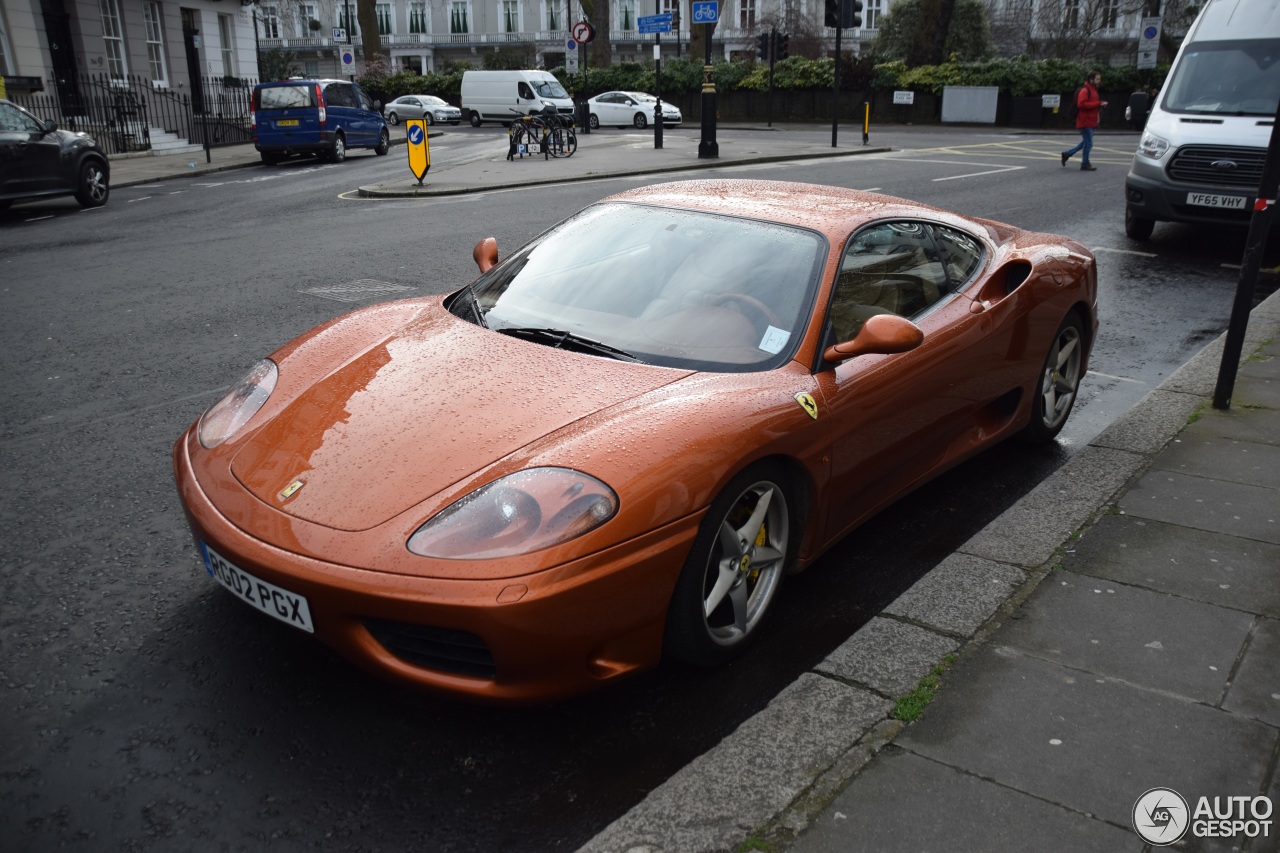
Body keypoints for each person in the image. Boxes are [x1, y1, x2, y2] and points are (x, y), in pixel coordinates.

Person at [1062, 71, 1107, 171]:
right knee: (1089, 143)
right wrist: (1098, 103)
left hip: (1090, 121)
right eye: (1097, 79)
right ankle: (1085, 164)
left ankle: (1066, 154)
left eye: (1099, 79)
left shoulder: (1094, 90)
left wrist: (1099, 105)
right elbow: (1081, 105)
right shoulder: (1085, 91)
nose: (1099, 81)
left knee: (1085, 143)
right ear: (1091, 80)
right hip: (1085, 121)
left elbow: (1093, 104)